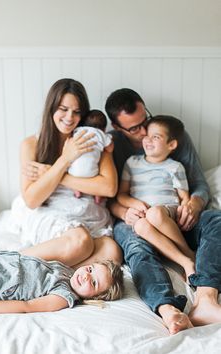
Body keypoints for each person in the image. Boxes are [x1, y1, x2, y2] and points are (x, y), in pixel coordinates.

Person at [105, 87, 221, 335]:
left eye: (144, 120)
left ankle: (207, 298)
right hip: (134, 217)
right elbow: (109, 196)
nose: (145, 132)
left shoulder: (169, 133)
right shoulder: (113, 148)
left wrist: (194, 204)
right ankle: (169, 310)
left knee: (215, 219)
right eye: (135, 128)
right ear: (117, 128)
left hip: (173, 213)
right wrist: (124, 211)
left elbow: (198, 183)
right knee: (136, 246)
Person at [17, 78, 122, 268]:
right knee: (80, 241)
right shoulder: (31, 144)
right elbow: (32, 200)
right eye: (63, 109)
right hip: (53, 212)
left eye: (76, 111)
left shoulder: (91, 138)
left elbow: (109, 187)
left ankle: (48, 272)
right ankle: (11, 261)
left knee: (111, 252)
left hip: (88, 212)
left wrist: (52, 174)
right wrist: (66, 158)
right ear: (51, 108)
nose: (69, 117)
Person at [117, 115, 195, 281]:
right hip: (144, 213)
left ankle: (187, 251)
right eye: (147, 135)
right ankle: (185, 261)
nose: (148, 140)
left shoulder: (175, 166)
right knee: (140, 226)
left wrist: (186, 208)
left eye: (156, 137)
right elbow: (121, 195)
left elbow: (184, 197)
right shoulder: (132, 163)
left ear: (171, 144)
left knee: (155, 214)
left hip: (167, 211)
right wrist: (135, 203)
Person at [0, 245, 124, 314]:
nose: (87, 276)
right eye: (89, 269)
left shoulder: (64, 296)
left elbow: (27, 306)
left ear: (95, 297)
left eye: (94, 283)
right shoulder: (68, 272)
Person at [68, 109, 114, 203]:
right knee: (97, 174)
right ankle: (97, 196)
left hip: (74, 173)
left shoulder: (77, 131)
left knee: (72, 168)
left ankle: (77, 191)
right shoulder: (101, 134)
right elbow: (110, 149)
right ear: (104, 128)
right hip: (91, 174)